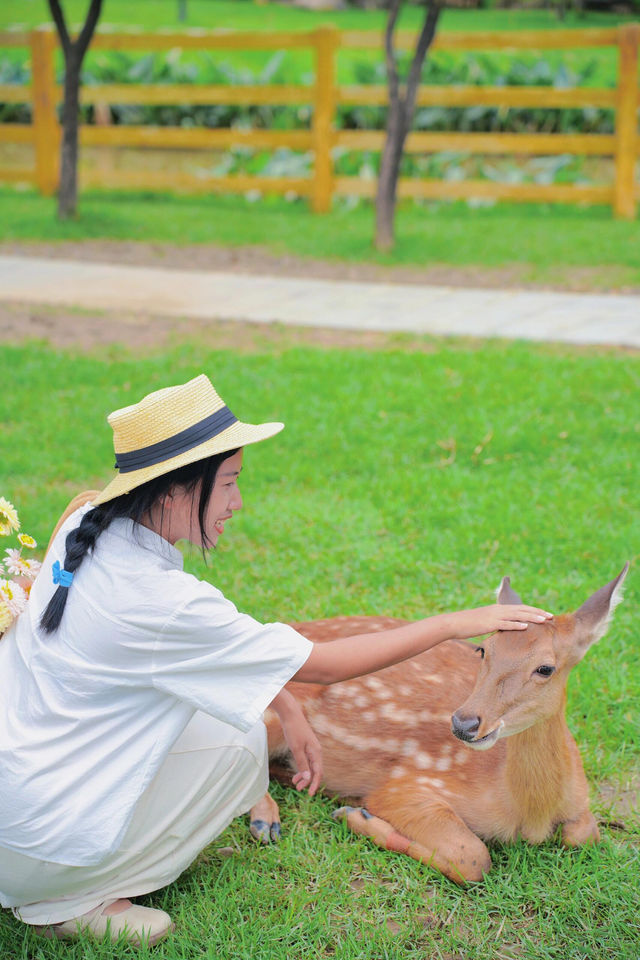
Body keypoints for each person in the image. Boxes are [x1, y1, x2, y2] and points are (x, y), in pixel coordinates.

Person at [0, 374, 552, 947]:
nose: (238, 502)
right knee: (241, 749)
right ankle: (72, 899)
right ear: (174, 491)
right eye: (230, 483)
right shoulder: (164, 601)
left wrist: (287, 706)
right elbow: (325, 665)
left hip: (14, 795)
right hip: (37, 842)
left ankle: (58, 871)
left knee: (230, 717)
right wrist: (452, 625)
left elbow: (249, 665)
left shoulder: (85, 525)